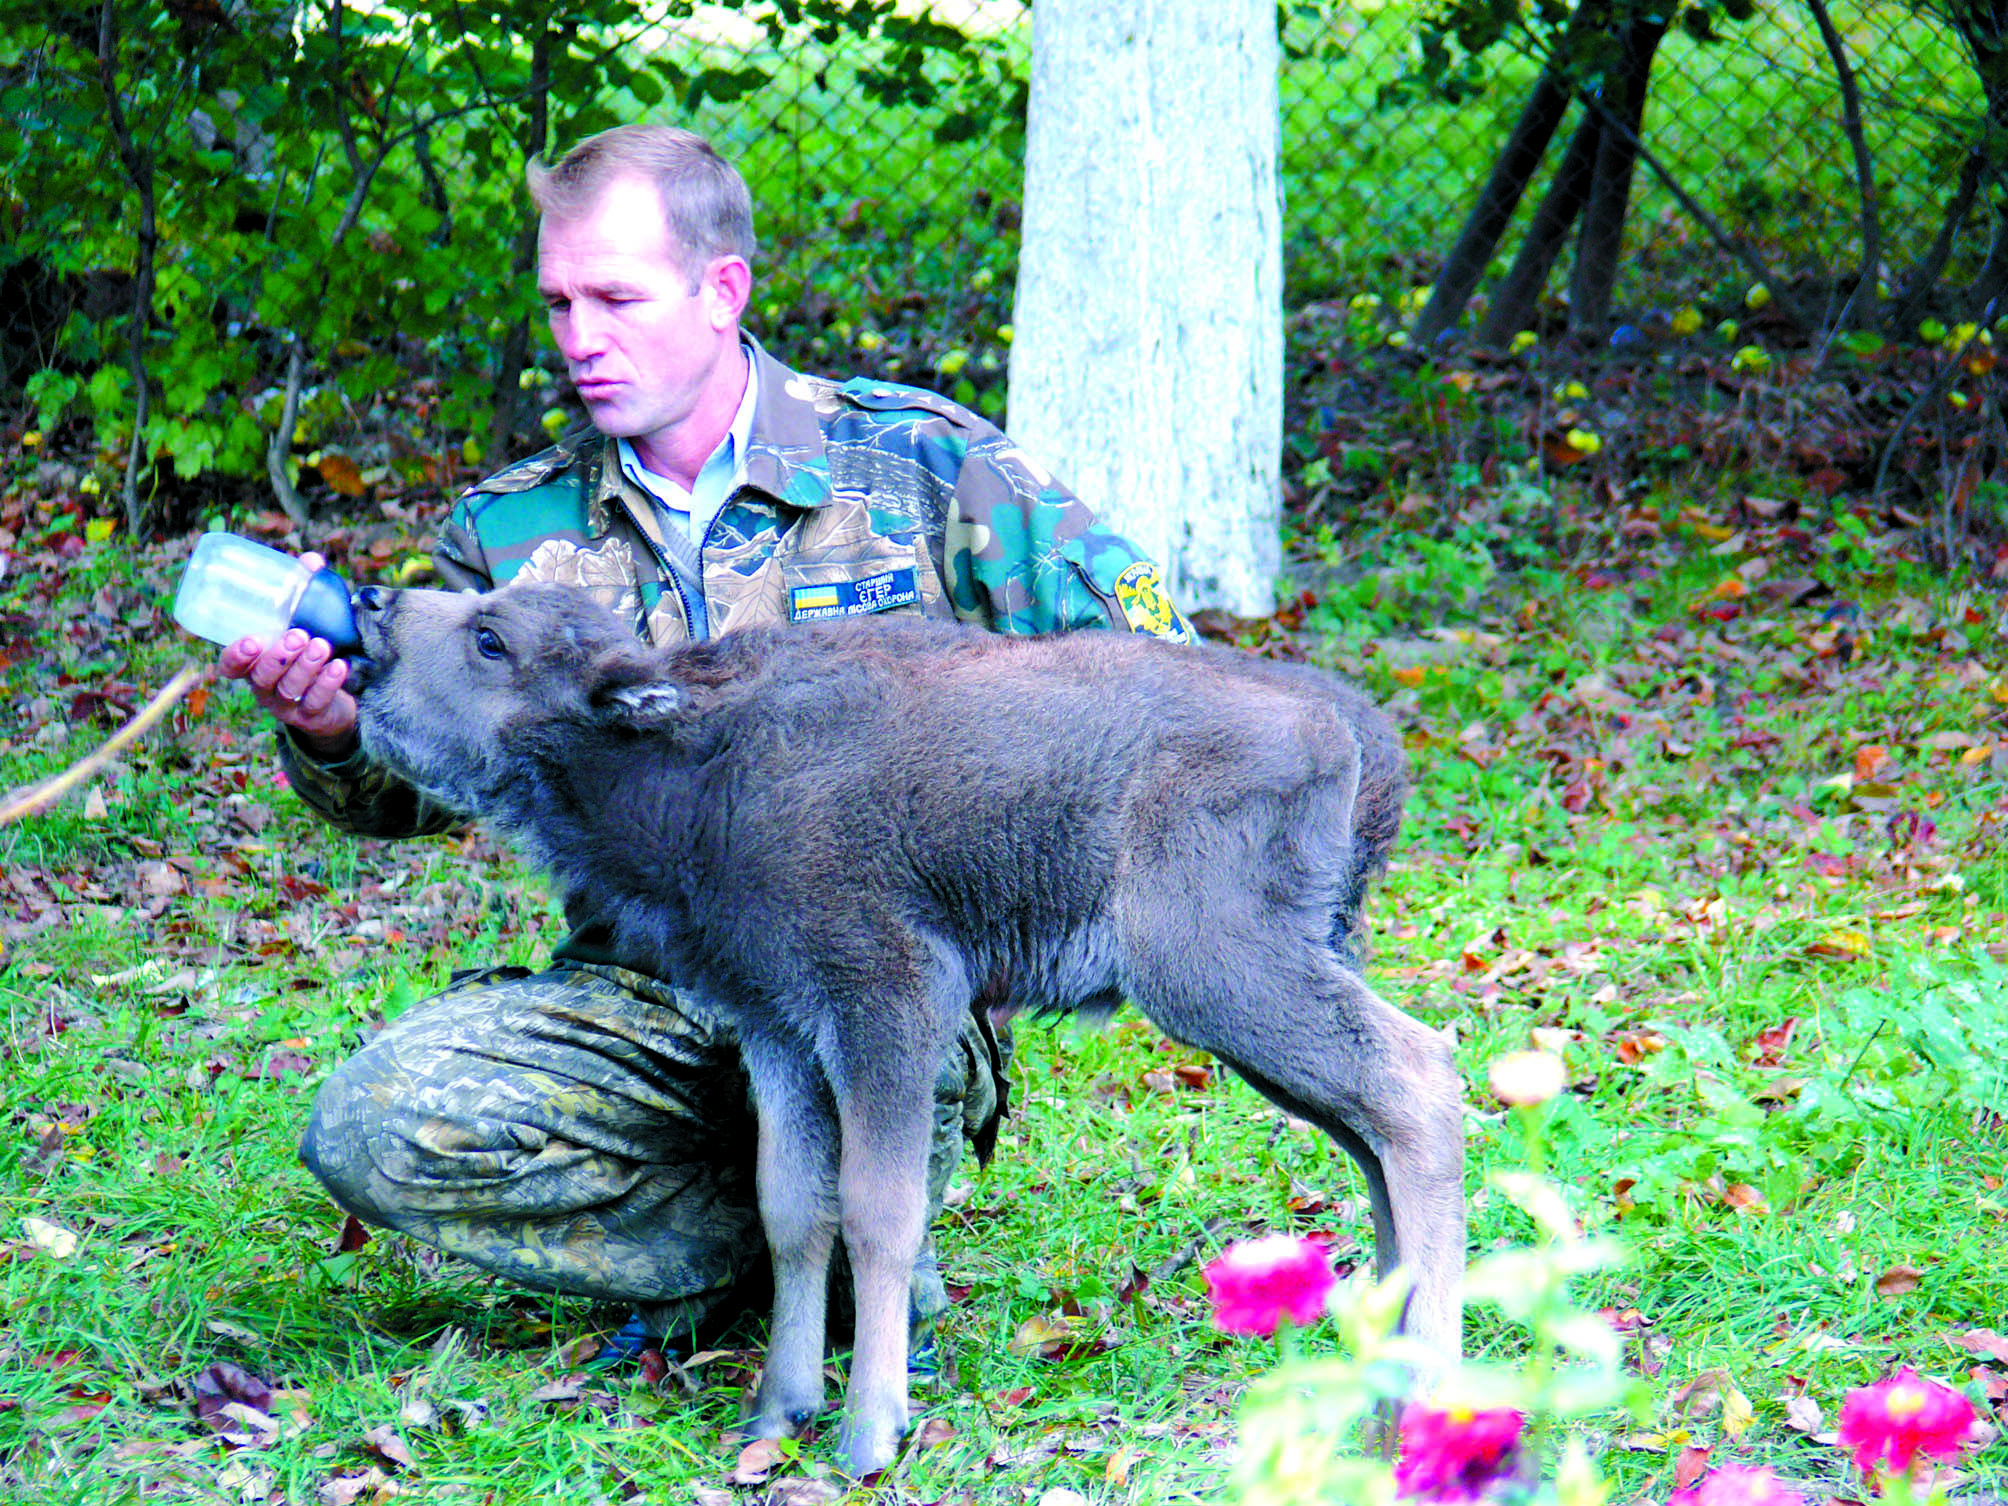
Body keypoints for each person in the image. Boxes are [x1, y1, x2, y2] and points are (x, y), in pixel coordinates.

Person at [220, 124, 1193, 1362]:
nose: (579, 338)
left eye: (616, 298)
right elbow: (420, 793)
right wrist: (330, 725)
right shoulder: (510, 530)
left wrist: (1021, 879)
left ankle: (838, 1249)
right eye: (559, 302)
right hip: (637, 989)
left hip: (875, 977)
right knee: (378, 1127)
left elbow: (1150, 678)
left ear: (721, 290)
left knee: (850, 1035)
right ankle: (790, 1262)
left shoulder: (921, 467)